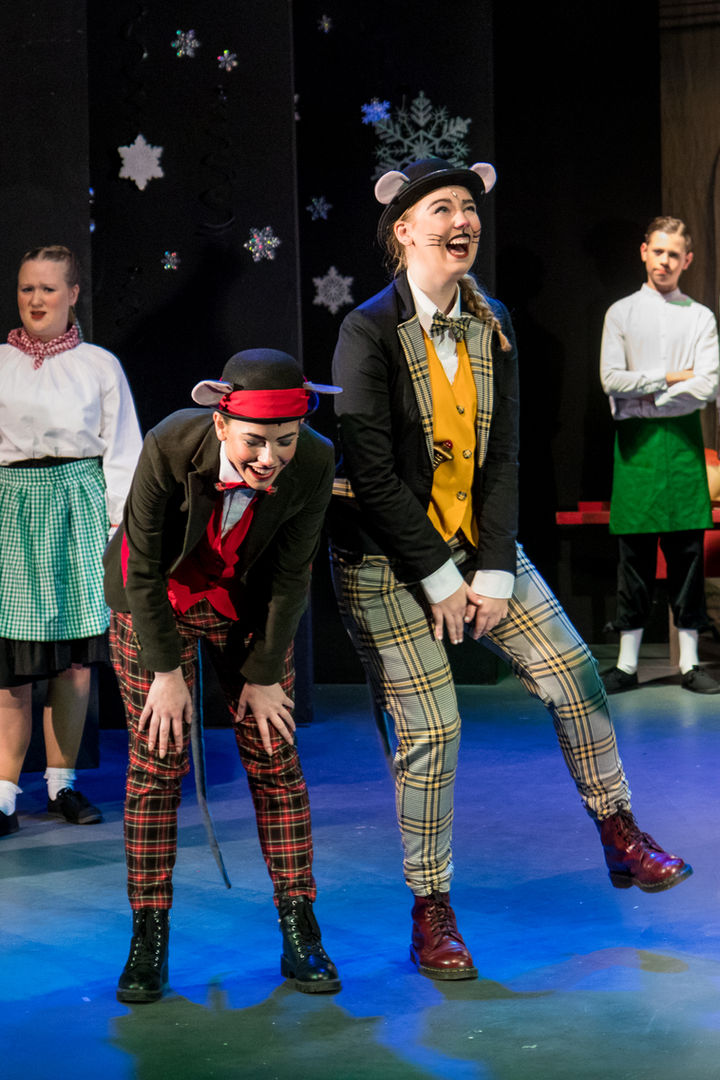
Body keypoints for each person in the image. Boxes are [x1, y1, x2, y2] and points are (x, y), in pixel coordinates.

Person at [328, 158, 692, 983]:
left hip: (475, 545)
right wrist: (438, 578)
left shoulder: (492, 322)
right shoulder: (368, 330)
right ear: (404, 230)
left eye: (469, 207)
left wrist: (492, 569)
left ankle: (619, 831)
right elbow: (372, 475)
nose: (462, 220)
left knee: (574, 672)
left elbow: (503, 458)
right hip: (386, 560)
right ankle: (431, 910)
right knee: (433, 731)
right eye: (443, 207)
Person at [103, 348, 341, 1003]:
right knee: (157, 761)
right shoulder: (170, 444)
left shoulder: (315, 460)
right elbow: (141, 566)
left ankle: (300, 928)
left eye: (284, 441)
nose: (270, 457)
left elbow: (291, 574)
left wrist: (264, 673)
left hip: (244, 602)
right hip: (156, 600)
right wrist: (165, 672)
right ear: (221, 424)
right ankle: (148, 936)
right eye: (255, 441)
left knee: (275, 752)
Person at [0, 244, 142, 837]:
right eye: (27, 288)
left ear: (73, 294)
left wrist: (118, 530)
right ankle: (4, 795)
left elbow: (124, 451)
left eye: (48, 289)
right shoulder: (1, 363)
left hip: (78, 510)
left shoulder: (99, 365)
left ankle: (62, 784)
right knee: (12, 665)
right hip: (12, 510)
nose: (36, 299)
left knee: (75, 662)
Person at [600, 217, 720, 695]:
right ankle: (626, 665)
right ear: (644, 252)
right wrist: (672, 379)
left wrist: (643, 398)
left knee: (688, 556)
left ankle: (690, 663)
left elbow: (707, 387)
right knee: (634, 559)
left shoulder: (700, 317)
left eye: (674, 254)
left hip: (684, 449)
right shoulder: (621, 313)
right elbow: (611, 380)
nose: (665, 261)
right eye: (658, 251)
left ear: (686, 260)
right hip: (636, 452)